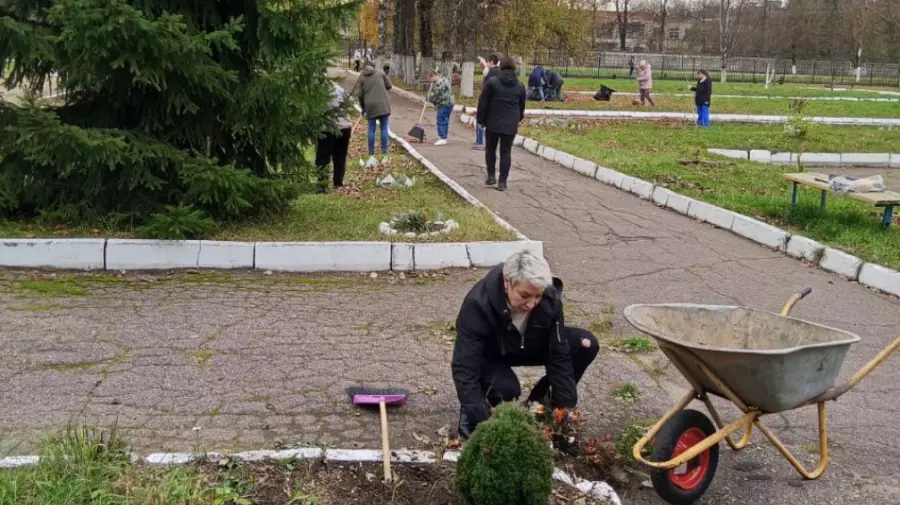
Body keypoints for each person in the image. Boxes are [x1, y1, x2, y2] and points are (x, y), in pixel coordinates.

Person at [451, 250, 599, 438]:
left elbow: (558, 355)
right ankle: (482, 404)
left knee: (585, 344)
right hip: (491, 354)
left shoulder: (550, 299)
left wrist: (565, 409)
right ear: (507, 282)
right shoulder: (478, 304)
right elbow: (464, 365)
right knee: (507, 389)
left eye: (538, 296)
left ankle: (542, 403)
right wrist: (477, 418)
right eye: (524, 295)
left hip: (529, 345)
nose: (531, 304)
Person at [477, 56, 526, 192]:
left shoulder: (492, 82)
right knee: (506, 152)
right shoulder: (520, 86)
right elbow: (521, 106)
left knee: (490, 149)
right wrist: (518, 118)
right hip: (510, 124)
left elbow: (483, 103)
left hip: (493, 122)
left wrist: (480, 119)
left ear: (501, 67)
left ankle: (491, 176)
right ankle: (502, 182)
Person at [315, 79, 352, 193]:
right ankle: (338, 182)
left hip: (326, 128)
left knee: (323, 156)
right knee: (340, 156)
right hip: (344, 127)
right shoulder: (339, 88)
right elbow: (349, 103)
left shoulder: (316, 91)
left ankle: (322, 186)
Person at [354, 63, 393, 165]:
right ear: (373, 67)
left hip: (370, 106)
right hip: (384, 104)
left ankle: (371, 156)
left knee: (371, 129)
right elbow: (389, 86)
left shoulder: (361, 77)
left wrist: (363, 108)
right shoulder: (380, 73)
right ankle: (385, 155)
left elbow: (360, 95)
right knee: (384, 128)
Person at [474, 54, 500, 151]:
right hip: (495, 101)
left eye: (488, 62)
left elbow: (486, 83)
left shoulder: (491, 72)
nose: (487, 64)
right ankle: (490, 143)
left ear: (492, 62)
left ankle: (480, 142)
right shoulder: (499, 72)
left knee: (480, 120)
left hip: (486, 100)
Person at [427, 71, 455, 146]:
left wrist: (429, 99)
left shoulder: (438, 85)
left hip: (443, 104)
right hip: (450, 103)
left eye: (430, 79)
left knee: (441, 120)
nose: (429, 81)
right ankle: (444, 137)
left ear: (433, 76)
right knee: (445, 120)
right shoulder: (444, 79)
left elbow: (436, 97)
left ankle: (442, 138)